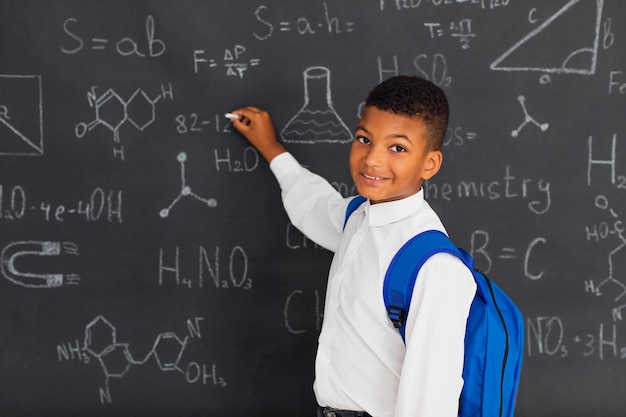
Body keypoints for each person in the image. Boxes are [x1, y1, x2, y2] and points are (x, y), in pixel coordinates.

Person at [230, 76, 476, 417]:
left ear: (429, 164)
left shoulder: (434, 267)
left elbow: (430, 402)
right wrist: (270, 146)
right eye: (364, 139)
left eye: (398, 148)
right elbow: (314, 204)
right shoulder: (358, 219)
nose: (372, 159)